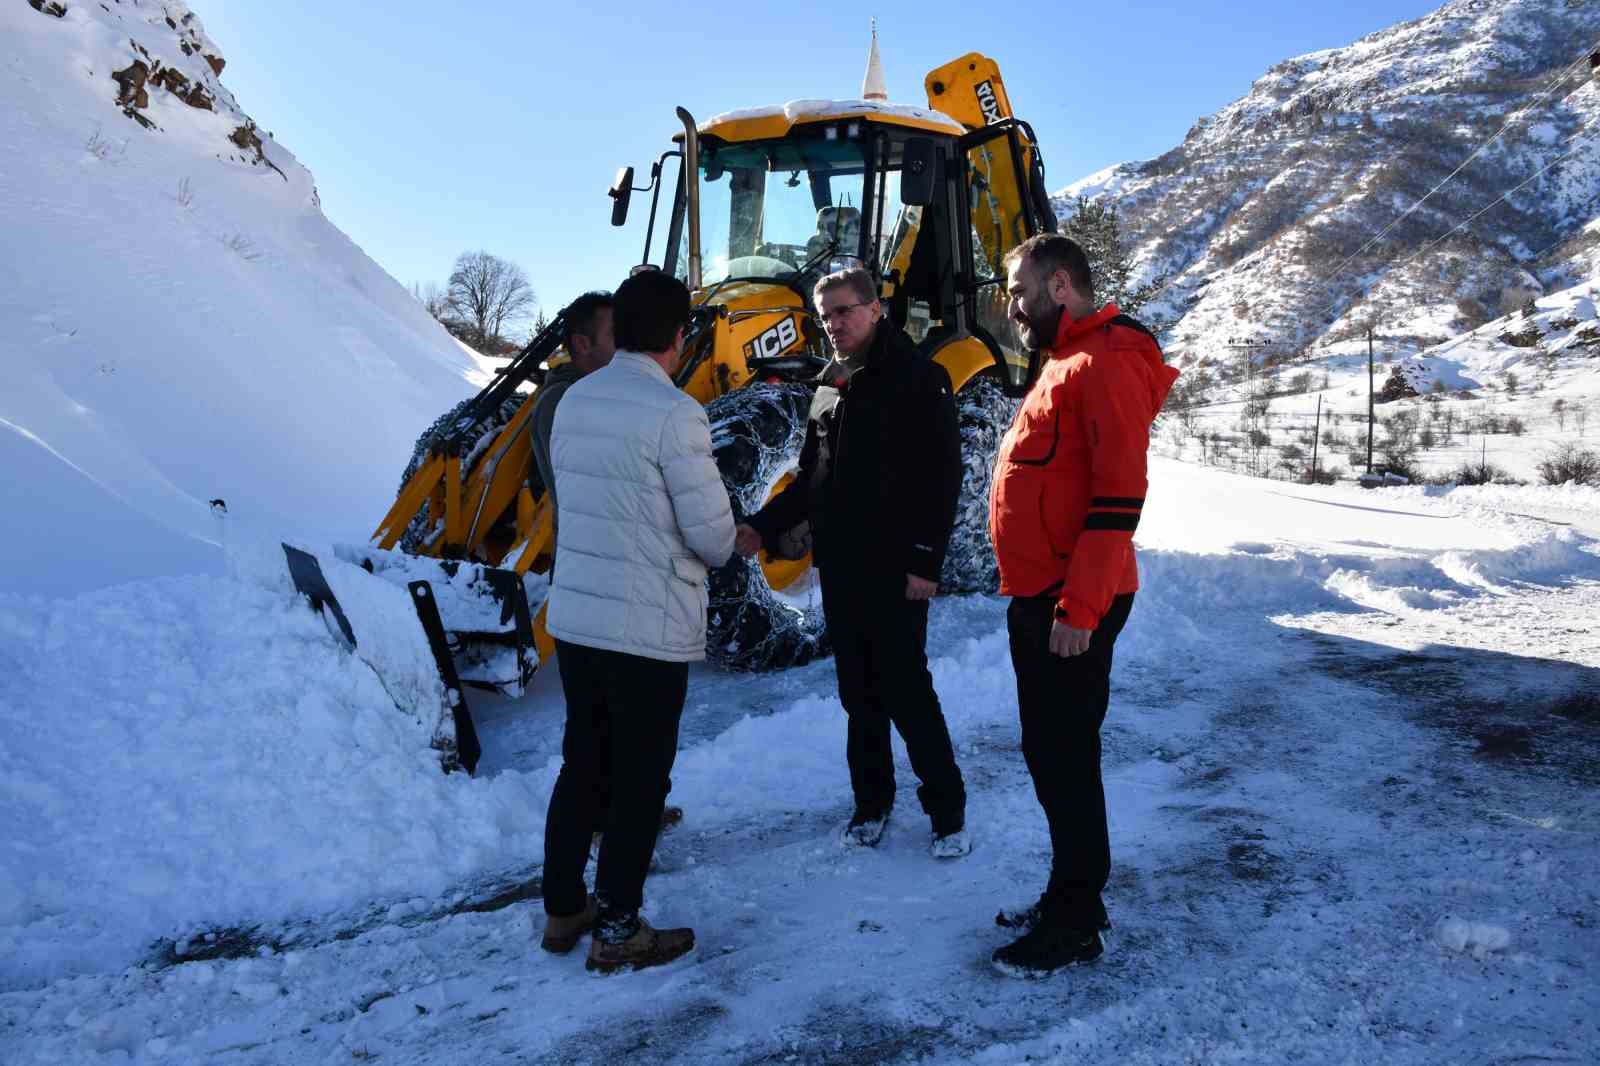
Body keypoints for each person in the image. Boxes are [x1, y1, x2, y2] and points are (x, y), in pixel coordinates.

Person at [987, 234, 1178, 978]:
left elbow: (1118, 498)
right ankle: (1070, 893)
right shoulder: (1063, 361)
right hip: (1041, 595)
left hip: (1071, 603)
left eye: (1018, 290)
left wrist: (1080, 610)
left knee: (1065, 756)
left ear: (1060, 286)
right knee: (1049, 752)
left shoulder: (1103, 364)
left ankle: (1076, 918)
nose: (1011, 305)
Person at [539, 270, 736, 974]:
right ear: (679, 338)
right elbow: (711, 537)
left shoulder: (573, 401)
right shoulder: (674, 413)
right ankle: (618, 926)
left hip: (580, 617)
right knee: (641, 778)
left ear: (619, 331)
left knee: (583, 763)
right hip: (646, 627)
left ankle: (564, 907)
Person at [734, 266, 968, 857]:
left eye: (844, 311)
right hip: (841, 565)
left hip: (896, 565)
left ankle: (947, 813)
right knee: (858, 694)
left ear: (874, 309)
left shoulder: (921, 378)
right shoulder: (830, 387)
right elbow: (813, 482)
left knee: (907, 690)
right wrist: (759, 528)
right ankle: (873, 803)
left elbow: (939, 481)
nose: (834, 324)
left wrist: (925, 563)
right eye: (825, 315)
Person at [528, 290, 615, 555]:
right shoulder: (563, 402)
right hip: (585, 562)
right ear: (582, 344)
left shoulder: (591, 394)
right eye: (616, 336)